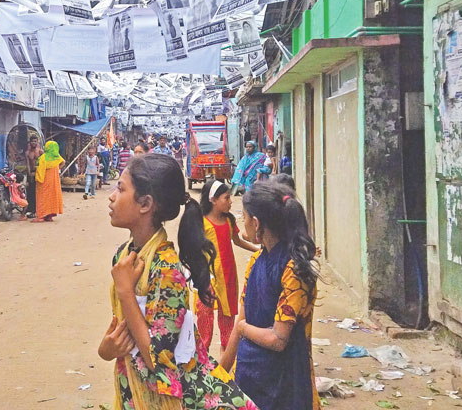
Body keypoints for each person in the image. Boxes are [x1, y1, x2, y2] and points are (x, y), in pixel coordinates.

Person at [99, 154, 257, 410]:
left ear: (145, 204)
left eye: (121, 188)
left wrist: (126, 291)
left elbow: (157, 359)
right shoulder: (124, 256)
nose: (112, 196)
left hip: (169, 398)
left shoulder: (167, 269)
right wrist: (105, 350)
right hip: (133, 390)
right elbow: (121, 330)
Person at [221, 181, 320, 410]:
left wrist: (243, 329)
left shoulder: (294, 269)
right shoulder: (256, 261)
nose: (241, 221)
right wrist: (221, 375)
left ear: (256, 223)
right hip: (250, 377)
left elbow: (278, 339)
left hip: (283, 383)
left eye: (243, 216)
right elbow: (241, 320)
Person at [197, 179, 260, 354]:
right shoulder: (201, 223)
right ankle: (203, 356)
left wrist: (257, 249)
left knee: (227, 317)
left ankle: (225, 362)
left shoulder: (229, 221)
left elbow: (237, 241)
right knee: (205, 316)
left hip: (228, 275)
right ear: (213, 200)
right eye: (226, 198)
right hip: (208, 277)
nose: (231, 201)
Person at [34, 140, 64, 223]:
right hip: (54, 181)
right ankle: (49, 216)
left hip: (44, 181)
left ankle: (40, 216)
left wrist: (38, 179)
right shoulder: (57, 157)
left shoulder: (43, 158)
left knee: (42, 197)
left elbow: (39, 170)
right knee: (52, 197)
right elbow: (63, 162)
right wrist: (57, 169)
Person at [26, 135, 42, 218]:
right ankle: (31, 210)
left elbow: (43, 163)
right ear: (30, 142)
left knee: (38, 192)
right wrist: (29, 174)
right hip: (31, 174)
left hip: (38, 173)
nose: (33, 143)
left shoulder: (40, 151)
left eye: (35, 141)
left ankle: (38, 210)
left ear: (37, 142)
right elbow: (28, 164)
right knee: (30, 192)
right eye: (32, 141)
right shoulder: (28, 153)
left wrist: (37, 172)